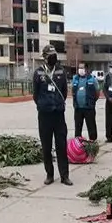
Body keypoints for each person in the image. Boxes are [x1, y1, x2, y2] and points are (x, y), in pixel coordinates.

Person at [32, 44, 72, 186]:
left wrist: (57, 103)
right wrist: (43, 105)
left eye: (54, 55)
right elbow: (35, 95)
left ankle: (64, 175)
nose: (53, 58)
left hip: (59, 114)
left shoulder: (61, 71)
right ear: (44, 57)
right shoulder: (38, 73)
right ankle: (49, 174)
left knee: (61, 145)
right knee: (46, 146)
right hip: (44, 115)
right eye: (50, 55)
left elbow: (65, 92)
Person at [72, 62, 100, 141]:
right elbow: (73, 91)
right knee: (78, 127)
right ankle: (78, 142)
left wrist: (92, 101)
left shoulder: (92, 79)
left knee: (91, 126)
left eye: (82, 68)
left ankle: (93, 142)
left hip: (89, 108)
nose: (80, 70)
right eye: (79, 68)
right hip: (78, 108)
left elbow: (97, 92)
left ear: (86, 69)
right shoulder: (75, 78)